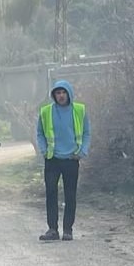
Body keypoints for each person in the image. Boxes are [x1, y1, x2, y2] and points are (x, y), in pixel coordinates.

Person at [36, 80, 90, 242]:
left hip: (71, 160)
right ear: (54, 95)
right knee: (51, 193)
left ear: (69, 94)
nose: (61, 96)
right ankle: (52, 229)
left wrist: (82, 152)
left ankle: (68, 230)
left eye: (63, 92)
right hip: (52, 160)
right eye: (58, 93)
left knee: (70, 195)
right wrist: (45, 151)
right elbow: (40, 133)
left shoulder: (80, 110)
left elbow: (87, 133)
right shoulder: (46, 112)